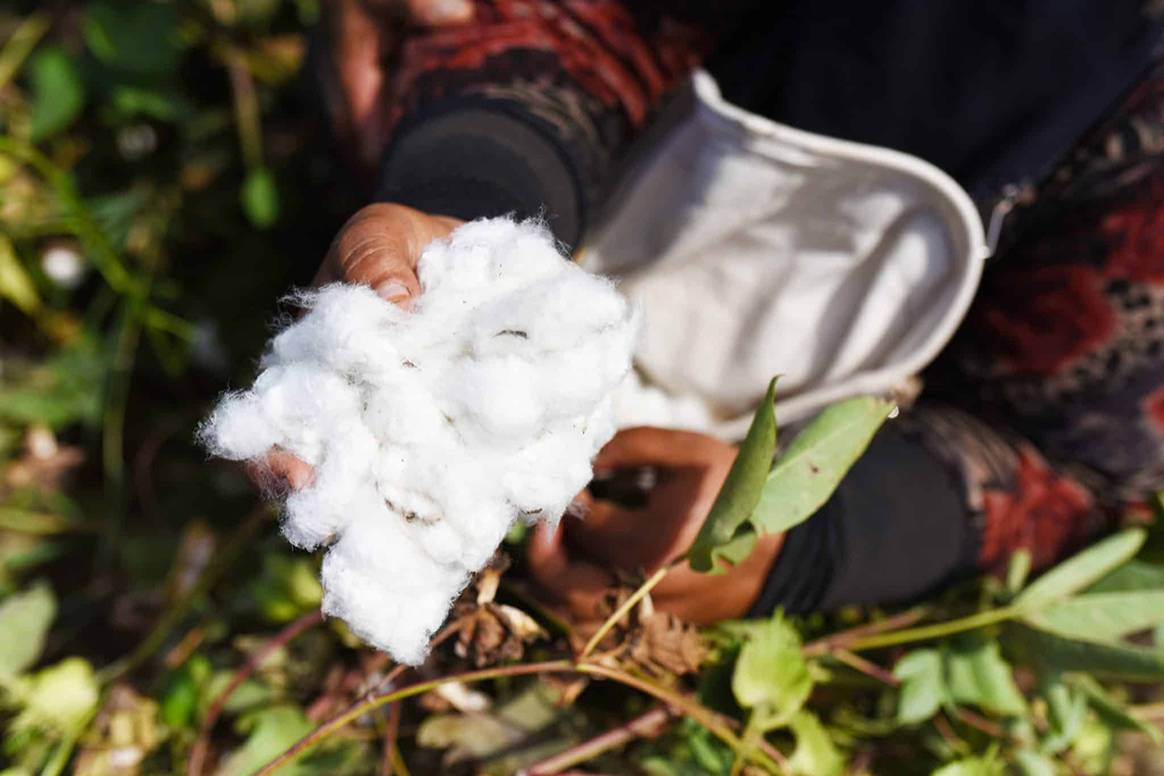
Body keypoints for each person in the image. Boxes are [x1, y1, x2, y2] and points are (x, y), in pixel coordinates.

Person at [270, 0, 1164, 626]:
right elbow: (580, 24)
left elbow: (1076, 466)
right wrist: (467, 220)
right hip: (470, 186)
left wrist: (809, 542)